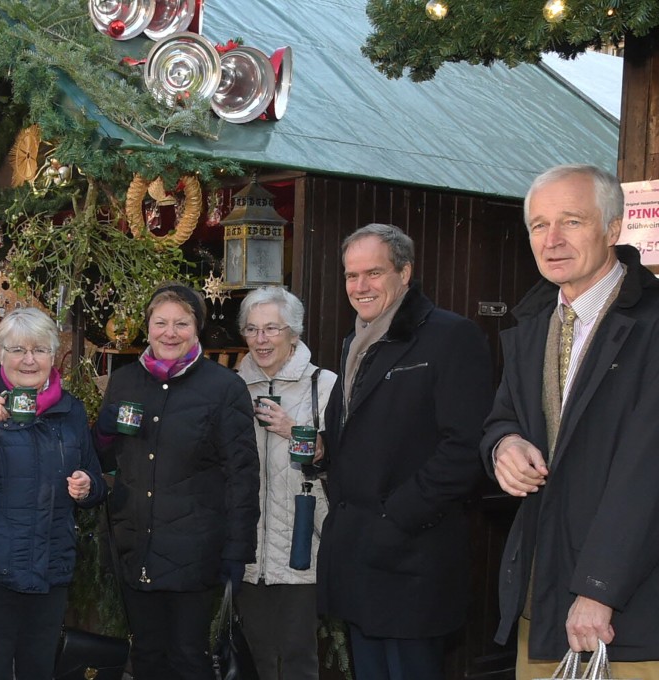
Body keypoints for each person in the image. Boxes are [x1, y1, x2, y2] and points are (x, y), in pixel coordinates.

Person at [482, 164, 659, 679]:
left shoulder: (651, 325)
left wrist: (600, 588)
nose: (552, 240)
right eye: (539, 225)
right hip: (542, 598)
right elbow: (502, 416)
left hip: (629, 611)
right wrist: (503, 445)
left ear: (613, 228)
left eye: (572, 221)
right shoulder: (534, 325)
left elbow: (647, 472)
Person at [315, 223, 492, 680]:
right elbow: (365, 434)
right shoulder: (355, 342)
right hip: (359, 556)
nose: (360, 287)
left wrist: (398, 515)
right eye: (351, 276)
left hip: (413, 556)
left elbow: (466, 446)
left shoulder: (451, 336)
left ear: (405, 272)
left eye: (373, 273)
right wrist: (325, 448)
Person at [95, 283, 260, 680]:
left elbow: (242, 477)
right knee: (148, 655)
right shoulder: (125, 382)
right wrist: (101, 433)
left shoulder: (224, 388)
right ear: (147, 328)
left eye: (181, 323)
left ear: (197, 328)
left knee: (189, 657)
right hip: (137, 543)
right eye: (161, 322)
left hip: (196, 550)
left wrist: (237, 552)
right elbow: (107, 458)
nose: (170, 333)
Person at [0, 307, 106, 680]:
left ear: (53, 356)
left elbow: (96, 481)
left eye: (39, 349)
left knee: (39, 670)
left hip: (50, 568)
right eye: (18, 350)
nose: (29, 360)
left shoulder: (70, 411)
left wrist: (87, 486)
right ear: (1, 355)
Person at [234, 286, 337, 680]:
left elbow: (342, 458)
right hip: (247, 550)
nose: (261, 340)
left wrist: (295, 431)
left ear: (294, 333)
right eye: (252, 329)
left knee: (299, 658)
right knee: (253, 659)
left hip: (303, 546)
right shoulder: (231, 389)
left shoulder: (324, 385)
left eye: (272, 329)